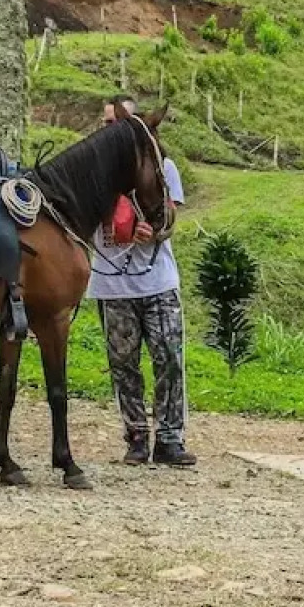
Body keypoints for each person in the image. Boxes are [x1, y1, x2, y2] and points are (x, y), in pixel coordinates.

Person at [88, 95, 194, 467]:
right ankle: (135, 436)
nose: (115, 129)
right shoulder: (91, 170)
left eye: (123, 121)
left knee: (170, 359)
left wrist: (155, 232)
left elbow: (169, 215)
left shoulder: (162, 165)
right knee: (123, 364)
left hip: (157, 281)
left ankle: (170, 438)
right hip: (111, 284)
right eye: (109, 123)